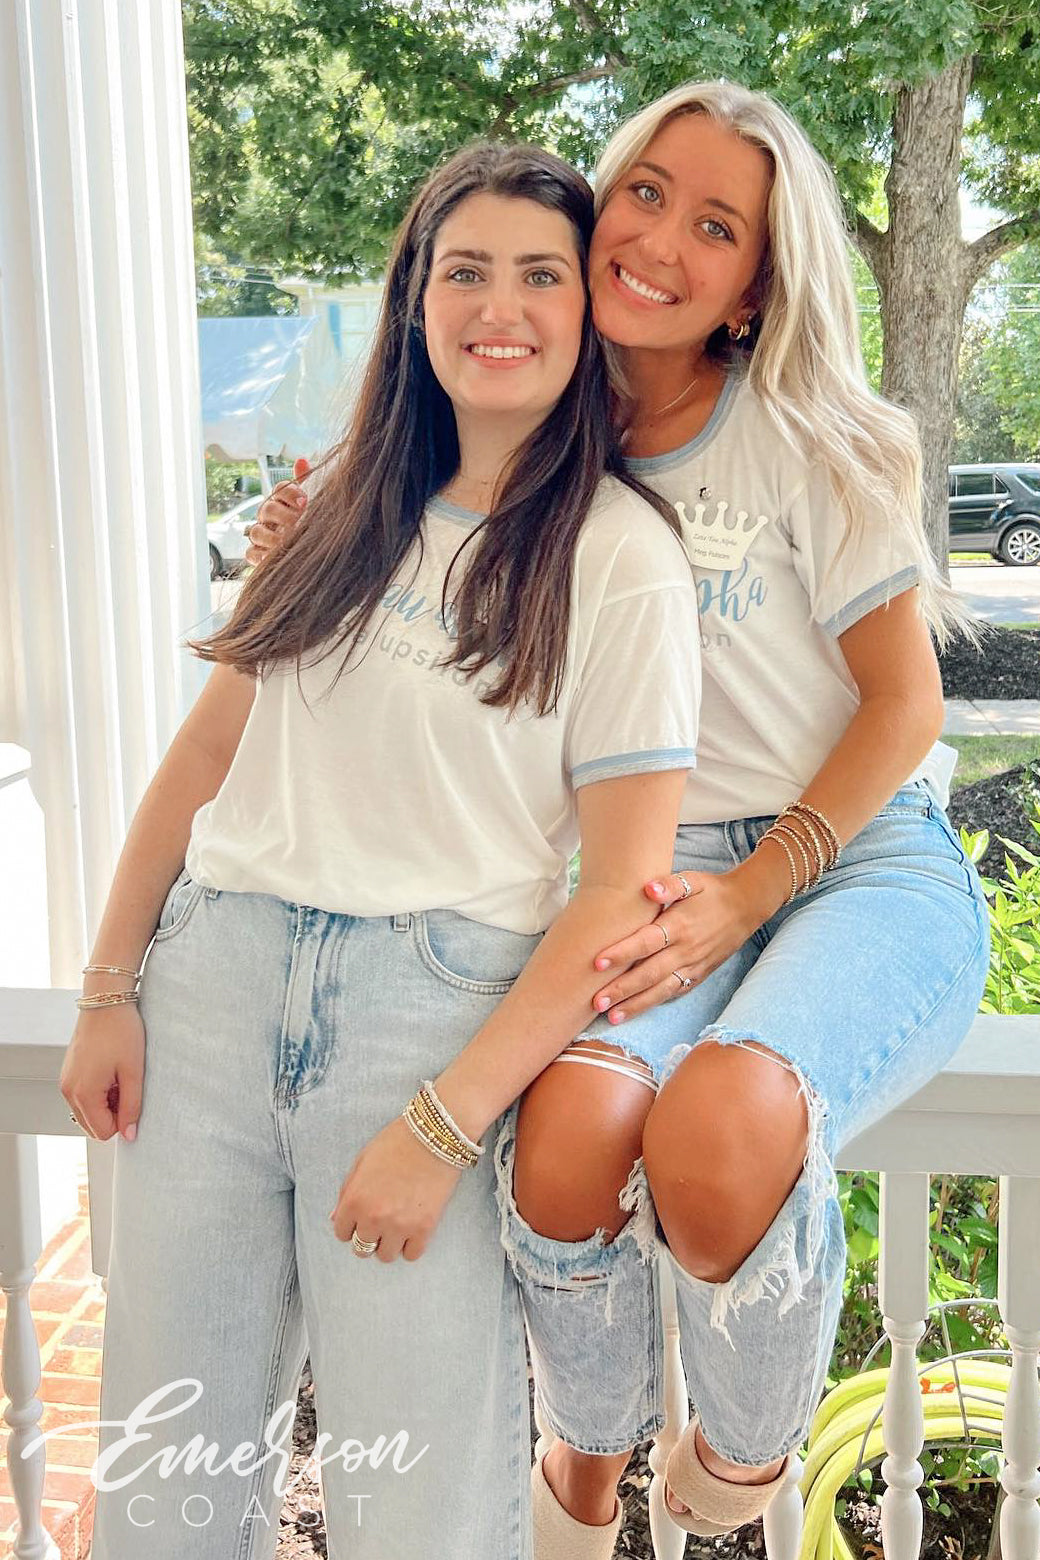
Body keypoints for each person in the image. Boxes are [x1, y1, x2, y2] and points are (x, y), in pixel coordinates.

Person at [246, 80, 990, 1560]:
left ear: (755, 285)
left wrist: (756, 890)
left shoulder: (806, 438)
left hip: (856, 860)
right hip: (661, 874)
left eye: (716, 227)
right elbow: (410, 538)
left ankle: (745, 1451)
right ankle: (587, 1459)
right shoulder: (548, 432)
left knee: (722, 1125)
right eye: (645, 193)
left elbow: (907, 705)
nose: (658, 240)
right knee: (569, 1137)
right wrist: (302, 536)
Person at [58, 141, 703, 1560]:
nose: (500, 307)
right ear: (415, 299)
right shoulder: (342, 498)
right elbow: (207, 759)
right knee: (167, 1481)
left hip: (430, 1028)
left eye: (541, 276)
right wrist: (110, 986)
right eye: (464, 271)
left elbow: (617, 890)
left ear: (588, 310)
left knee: (420, 1504)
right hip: (212, 995)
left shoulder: (621, 558)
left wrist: (441, 1126)